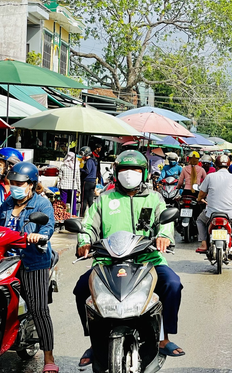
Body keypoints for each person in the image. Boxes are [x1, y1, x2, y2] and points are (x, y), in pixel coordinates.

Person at [74, 150, 184, 363]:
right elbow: (88, 225)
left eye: (134, 169)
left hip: (148, 260)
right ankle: (94, 342)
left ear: (143, 173)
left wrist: (163, 236)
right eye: (124, 169)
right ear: (116, 172)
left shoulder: (154, 198)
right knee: (81, 290)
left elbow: (165, 222)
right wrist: (84, 241)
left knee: (173, 284)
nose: (129, 173)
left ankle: (164, 337)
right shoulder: (105, 199)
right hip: (108, 261)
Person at [0, 162, 57, 372]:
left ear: (31, 184)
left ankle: (49, 359)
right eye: (12, 182)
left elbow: (48, 226)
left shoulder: (42, 205)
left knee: (39, 309)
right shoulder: (7, 203)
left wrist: (40, 235)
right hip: (5, 261)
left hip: (33, 262)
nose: (15, 186)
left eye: (19, 183)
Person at [196, 154, 232, 253]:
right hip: (231, 214)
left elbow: (201, 194)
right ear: (229, 166)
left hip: (211, 213)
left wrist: (199, 199)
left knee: (200, 221)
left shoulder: (210, 177)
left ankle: (203, 244)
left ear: (216, 166)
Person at [58, 152, 80, 216]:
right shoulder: (76, 167)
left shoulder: (63, 166)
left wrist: (58, 186)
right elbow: (78, 178)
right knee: (73, 202)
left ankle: (62, 214)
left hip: (64, 186)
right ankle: (73, 215)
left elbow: (60, 177)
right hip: (73, 186)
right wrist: (79, 188)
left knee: (63, 202)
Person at [79, 146, 98, 215]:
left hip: (87, 182)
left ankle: (81, 216)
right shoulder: (93, 161)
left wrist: (80, 169)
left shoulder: (89, 161)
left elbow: (87, 171)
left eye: (82, 154)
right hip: (92, 182)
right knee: (90, 200)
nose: (81, 156)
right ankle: (93, 215)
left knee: (83, 200)